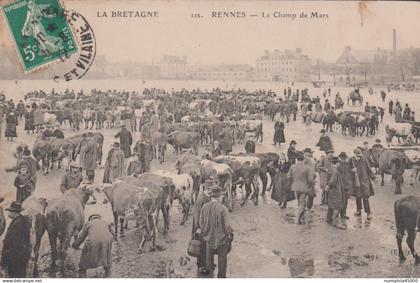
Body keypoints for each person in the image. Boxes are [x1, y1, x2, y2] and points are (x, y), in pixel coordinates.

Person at [199, 185, 233, 278]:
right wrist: (230, 235)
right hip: (222, 240)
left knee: (209, 263)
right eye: (222, 196)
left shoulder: (204, 207)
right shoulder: (223, 209)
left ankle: (210, 277)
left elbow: (201, 223)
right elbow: (227, 227)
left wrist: (206, 232)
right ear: (219, 197)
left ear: (211, 196)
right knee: (222, 263)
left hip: (208, 239)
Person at [0, 202, 31, 278]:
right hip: (20, 260)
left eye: (10, 211)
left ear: (14, 212)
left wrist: (3, 262)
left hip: (15, 261)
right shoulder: (21, 221)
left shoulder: (17, 224)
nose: (8, 213)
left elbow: (13, 246)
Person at [192, 179, 213, 275]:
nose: (210, 190)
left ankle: (206, 264)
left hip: (206, 225)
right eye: (208, 188)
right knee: (200, 246)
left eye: (211, 188)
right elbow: (196, 213)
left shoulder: (208, 197)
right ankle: (200, 266)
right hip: (200, 226)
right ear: (204, 188)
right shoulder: (201, 197)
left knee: (206, 246)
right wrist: (198, 227)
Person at [287, 152, 314, 224]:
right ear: (303, 159)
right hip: (304, 188)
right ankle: (297, 218)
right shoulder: (307, 168)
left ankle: (302, 217)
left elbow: (288, 176)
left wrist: (294, 180)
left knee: (299, 202)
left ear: (297, 159)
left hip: (295, 187)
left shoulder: (292, 166)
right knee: (302, 203)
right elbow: (311, 180)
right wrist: (310, 186)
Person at [350, 148, 375, 220]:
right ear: (354, 154)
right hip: (356, 182)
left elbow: (368, 168)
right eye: (357, 155)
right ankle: (358, 210)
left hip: (364, 182)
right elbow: (347, 169)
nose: (359, 156)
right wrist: (351, 170)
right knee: (357, 197)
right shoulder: (351, 160)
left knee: (365, 197)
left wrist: (373, 177)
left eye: (360, 155)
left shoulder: (364, 159)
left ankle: (368, 213)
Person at [325, 156, 347, 229]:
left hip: (331, 191)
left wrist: (327, 186)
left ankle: (328, 219)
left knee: (331, 205)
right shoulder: (335, 171)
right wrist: (329, 185)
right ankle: (335, 222)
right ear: (337, 163)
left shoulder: (330, 169)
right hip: (336, 190)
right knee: (337, 205)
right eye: (339, 163)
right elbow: (333, 181)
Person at [338, 152, 352, 222]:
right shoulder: (338, 165)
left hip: (347, 185)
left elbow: (350, 174)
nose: (343, 159)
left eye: (344, 158)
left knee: (345, 200)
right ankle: (340, 213)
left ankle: (343, 213)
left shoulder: (347, 164)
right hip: (341, 185)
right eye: (342, 158)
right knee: (341, 200)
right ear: (340, 158)